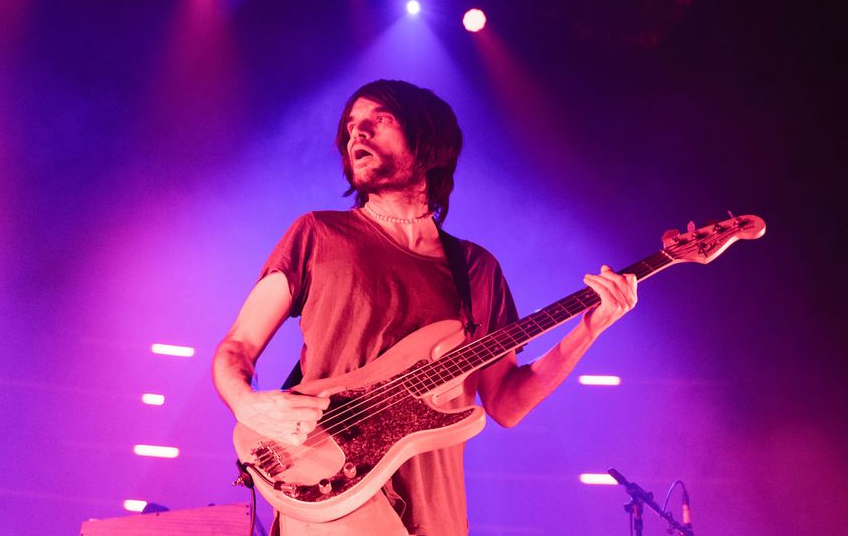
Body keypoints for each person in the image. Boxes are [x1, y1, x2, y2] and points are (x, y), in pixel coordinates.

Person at [212, 80, 638, 535]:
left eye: (379, 121)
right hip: (327, 485)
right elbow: (237, 345)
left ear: (427, 138)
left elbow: (507, 404)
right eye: (352, 127)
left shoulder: (475, 268)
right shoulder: (317, 234)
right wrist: (247, 404)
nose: (358, 134)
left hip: (436, 508)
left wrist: (587, 331)